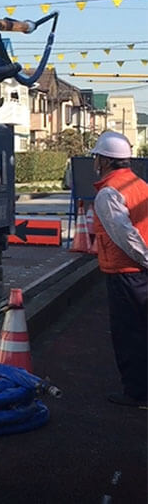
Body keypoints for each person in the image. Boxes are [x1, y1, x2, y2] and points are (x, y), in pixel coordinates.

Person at [92, 130, 148, 408]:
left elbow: (125, 236)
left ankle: (135, 393)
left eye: (97, 157)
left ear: (105, 160)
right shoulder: (139, 184)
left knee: (129, 333)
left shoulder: (108, 194)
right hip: (140, 271)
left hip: (126, 272)